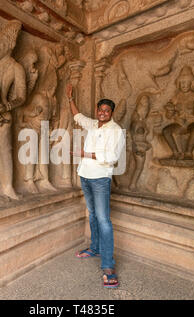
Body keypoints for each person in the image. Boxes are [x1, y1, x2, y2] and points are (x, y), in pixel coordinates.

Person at [66, 83, 125, 288]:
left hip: (100, 178)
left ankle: (108, 266)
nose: (102, 113)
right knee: (92, 214)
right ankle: (95, 248)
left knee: (104, 220)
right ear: (97, 111)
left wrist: (84, 154)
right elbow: (78, 117)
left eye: (106, 111)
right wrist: (70, 99)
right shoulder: (93, 124)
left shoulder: (116, 131)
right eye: (100, 110)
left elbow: (112, 157)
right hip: (85, 175)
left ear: (111, 113)